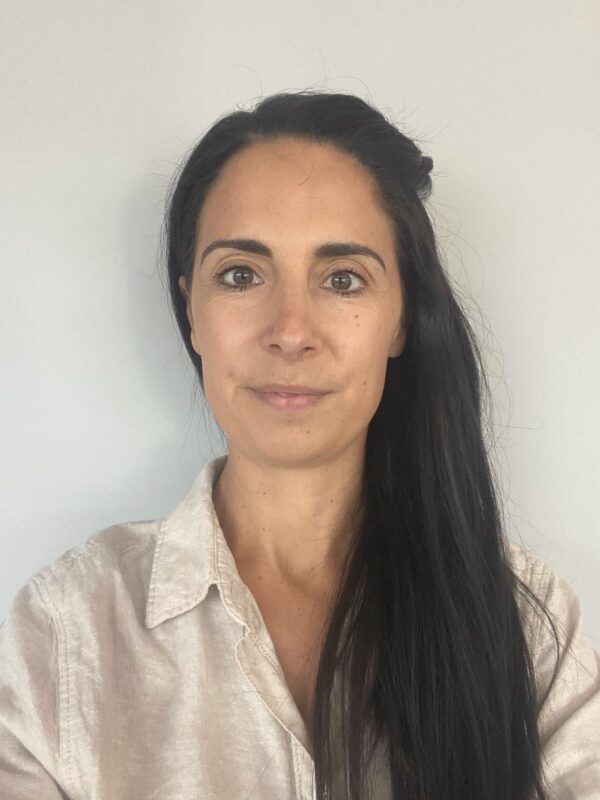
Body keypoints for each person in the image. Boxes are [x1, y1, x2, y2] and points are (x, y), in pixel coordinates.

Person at [1, 91, 599, 800]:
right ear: (191, 310)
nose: (290, 331)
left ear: (402, 319)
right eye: (241, 275)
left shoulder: (527, 626)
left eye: (343, 279)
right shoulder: (65, 635)